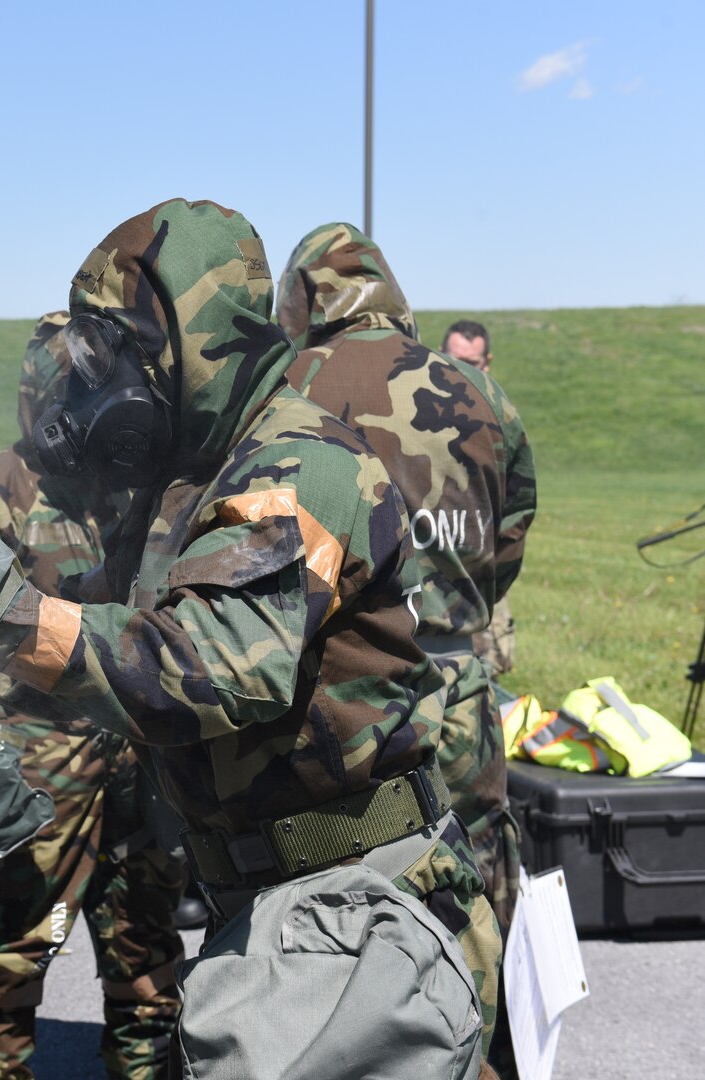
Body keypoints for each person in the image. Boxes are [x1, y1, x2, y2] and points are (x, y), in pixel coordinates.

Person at [0, 198, 501, 1079]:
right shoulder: (199, 475)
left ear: (188, 347)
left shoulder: (296, 464)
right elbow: (100, 593)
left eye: (113, 355)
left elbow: (210, 664)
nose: (98, 382)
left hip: (346, 912)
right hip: (276, 904)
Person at [276, 229, 535, 943]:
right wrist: (457, 599)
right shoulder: (480, 391)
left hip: (339, 693)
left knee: (340, 901)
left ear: (300, 299)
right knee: (478, 888)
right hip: (459, 685)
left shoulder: (284, 386)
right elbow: (512, 527)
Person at [0, 311, 189, 1080]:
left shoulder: (146, 489)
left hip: (139, 753)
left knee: (146, 949)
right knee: (12, 952)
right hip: (36, 757)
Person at [443, 319, 516, 677]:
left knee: (491, 670)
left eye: (471, 363)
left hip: (486, 567)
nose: (461, 370)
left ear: (487, 363)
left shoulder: (501, 419)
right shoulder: (421, 412)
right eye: (454, 358)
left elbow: (519, 511)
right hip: (436, 565)